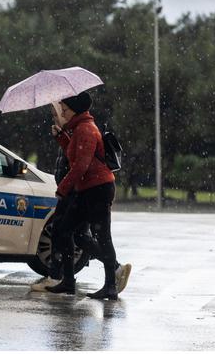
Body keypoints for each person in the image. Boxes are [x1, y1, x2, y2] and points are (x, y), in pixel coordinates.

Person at [43, 92, 124, 298]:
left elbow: (81, 165)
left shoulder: (86, 129)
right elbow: (75, 154)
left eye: (64, 109)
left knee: (102, 235)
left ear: (75, 110)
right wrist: (61, 137)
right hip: (86, 189)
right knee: (64, 230)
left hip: (98, 189)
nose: (62, 112)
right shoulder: (78, 128)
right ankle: (68, 281)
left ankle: (110, 286)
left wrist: (62, 189)